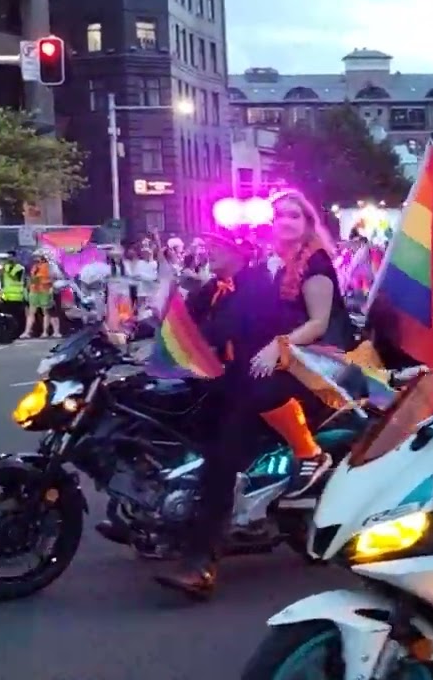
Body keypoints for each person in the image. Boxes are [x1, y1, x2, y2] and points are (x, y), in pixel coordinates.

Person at [150, 228, 287, 598]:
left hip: (249, 388)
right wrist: (134, 326)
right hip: (214, 385)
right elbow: (178, 321)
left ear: (238, 251)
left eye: (214, 246)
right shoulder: (213, 287)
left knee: (218, 464)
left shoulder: (257, 286)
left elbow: (219, 330)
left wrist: (192, 338)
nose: (206, 251)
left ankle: (202, 564)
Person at [247, 190, 358, 494]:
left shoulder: (316, 262)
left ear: (308, 222)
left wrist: (275, 347)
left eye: (294, 215)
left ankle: (309, 453)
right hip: (296, 353)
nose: (285, 221)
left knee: (260, 388)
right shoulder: (281, 261)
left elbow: (317, 323)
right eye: (279, 215)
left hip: (323, 358)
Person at [20, 251, 58, 339]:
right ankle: (27, 332)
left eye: (37, 257)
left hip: (44, 291)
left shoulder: (49, 266)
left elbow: (52, 278)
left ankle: (45, 332)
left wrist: (42, 281)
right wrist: (28, 287)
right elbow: (31, 278)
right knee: (31, 312)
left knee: (46, 312)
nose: (35, 259)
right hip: (34, 291)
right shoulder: (34, 267)